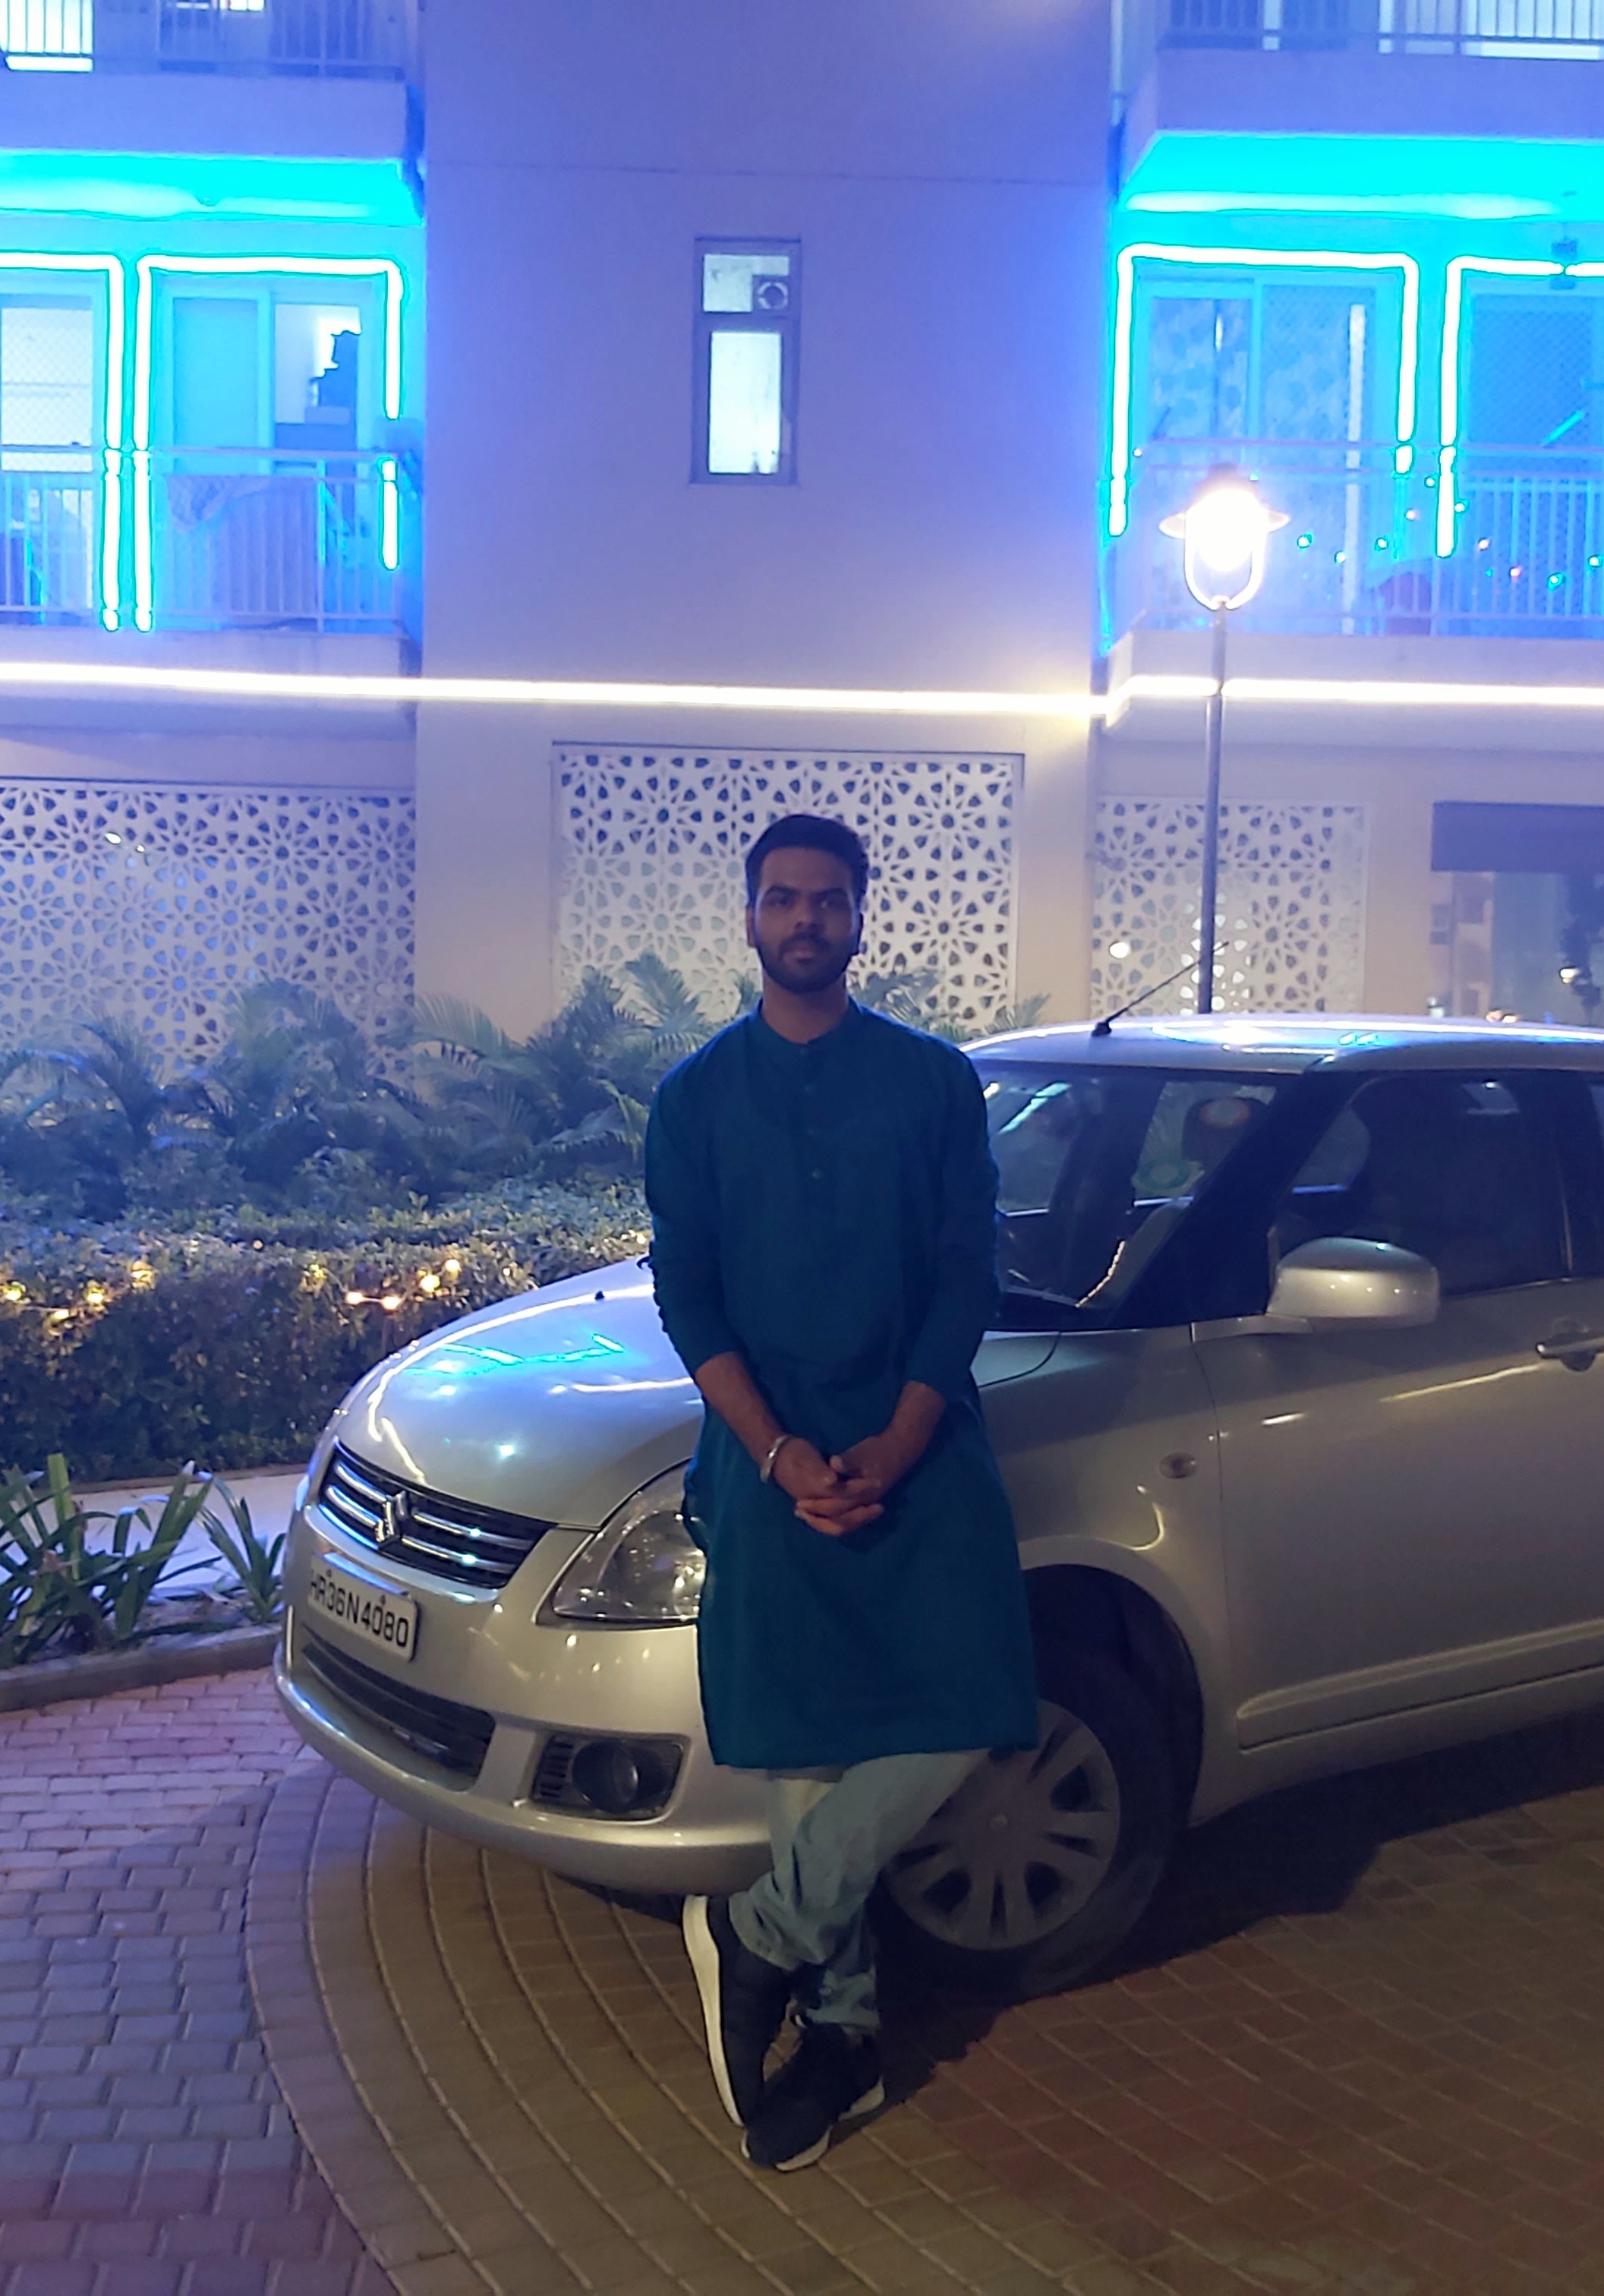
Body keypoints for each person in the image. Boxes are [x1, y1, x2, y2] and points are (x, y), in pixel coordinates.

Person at [641, 812, 1039, 2172]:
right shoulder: (694, 1098)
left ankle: (755, 1933)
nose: (805, 919)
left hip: (921, 1455)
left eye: (828, 899)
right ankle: (848, 2039)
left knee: (975, 1701)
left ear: (861, 916)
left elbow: (963, 1277)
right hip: (765, 1467)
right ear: (749, 919)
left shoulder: (932, 1086)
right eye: (782, 899)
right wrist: (780, 1455)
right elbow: (687, 1293)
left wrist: (899, 1442)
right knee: (809, 1762)